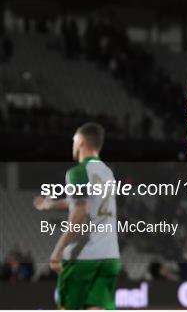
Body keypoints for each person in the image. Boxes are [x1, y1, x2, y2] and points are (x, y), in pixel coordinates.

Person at [34, 122, 120, 309]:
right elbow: (86, 202)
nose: (72, 145)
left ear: (81, 142)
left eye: (74, 141)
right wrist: (52, 204)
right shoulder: (107, 172)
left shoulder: (78, 172)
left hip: (84, 257)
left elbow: (81, 212)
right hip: (110, 257)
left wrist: (57, 251)